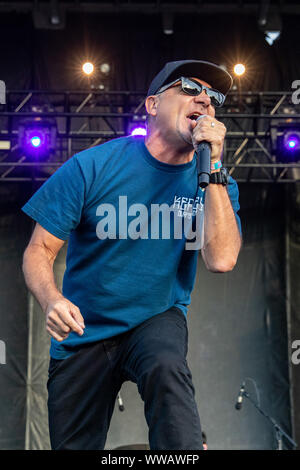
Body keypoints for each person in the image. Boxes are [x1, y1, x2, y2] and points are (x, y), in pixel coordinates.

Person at [22, 60, 242, 450]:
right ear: (153, 105)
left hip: (156, 316)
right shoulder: (93, 166)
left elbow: (221, 260)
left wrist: (217, 167)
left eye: (214, 98)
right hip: (83, 331)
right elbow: (39, 249)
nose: (205, 100)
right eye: (190, 87)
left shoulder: (215, 183)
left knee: (166, 365)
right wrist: (51, 299)